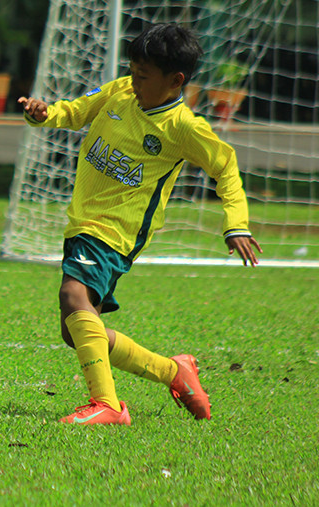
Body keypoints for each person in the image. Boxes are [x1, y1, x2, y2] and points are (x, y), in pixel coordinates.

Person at [18, 23, 262, 425]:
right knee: (77, 330)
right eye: (131, 71)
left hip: (116, 231)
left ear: (175, 81)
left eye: (143, 76)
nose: (133, 82)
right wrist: (44, 113)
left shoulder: (184, 128)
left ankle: (108, 404)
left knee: (72, 297)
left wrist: (236, 223)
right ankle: (174, 371)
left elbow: (226, 167)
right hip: (83, 222)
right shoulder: (119, 92)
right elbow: (75, 111)